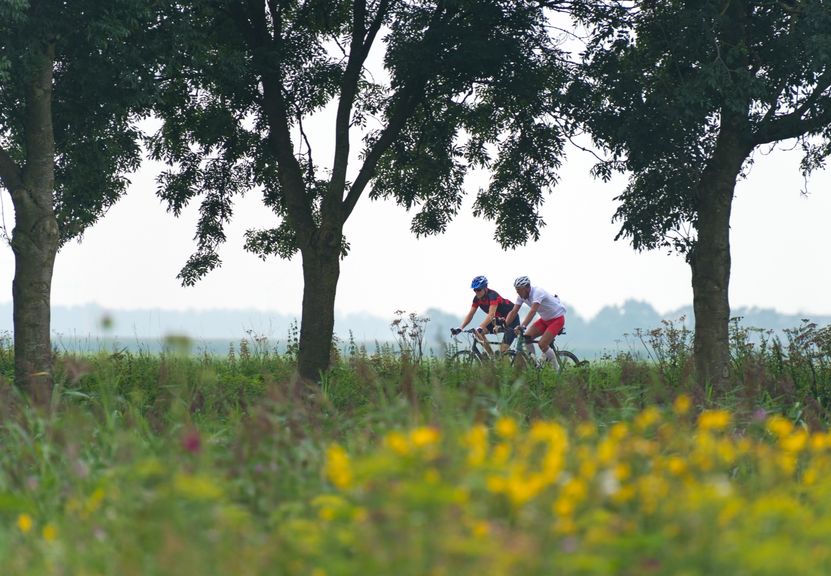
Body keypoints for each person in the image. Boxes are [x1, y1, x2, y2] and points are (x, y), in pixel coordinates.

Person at [504, 275, 566, 368]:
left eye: (519, 290)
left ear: (527, 288)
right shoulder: (521, 296)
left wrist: (523, 326)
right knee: (526, 338)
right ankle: (535, 365)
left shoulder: (538, 292)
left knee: (542, 344)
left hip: (557, 319)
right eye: (516, 290)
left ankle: (558, 370)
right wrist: (504, 325)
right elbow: (513, 312)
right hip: (545, 320)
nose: (517, 292)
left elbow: (533, 311)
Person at [451, 275, 520, 355]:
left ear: (485, 288)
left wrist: (481, 326)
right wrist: (461, 328)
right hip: (499, 320)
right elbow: (471, 314)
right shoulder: (477, 299)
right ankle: (492, 357)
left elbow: (491, 314)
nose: (476, 292)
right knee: (478, 333)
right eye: (475, 290)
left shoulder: (492, 296)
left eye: (478, 290)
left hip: (512, 320)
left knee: (502, 353)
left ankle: (504, 363)